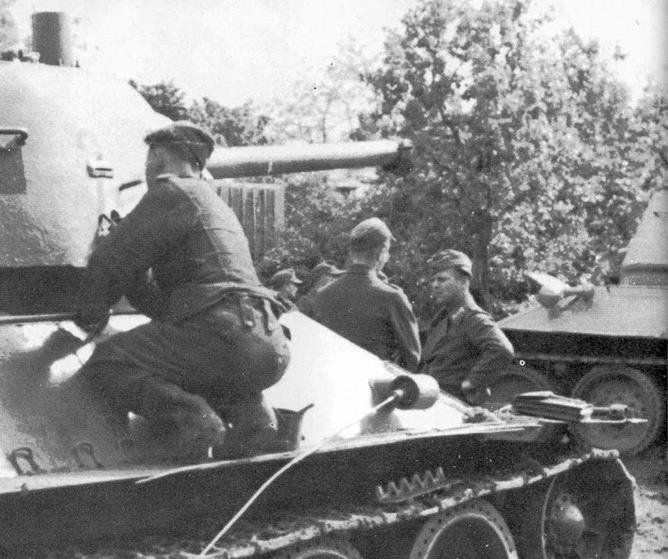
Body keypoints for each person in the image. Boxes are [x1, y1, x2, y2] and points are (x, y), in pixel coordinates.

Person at [75, 121, 291, 459]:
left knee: (108, 361)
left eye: (149, 160)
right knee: (192, 363)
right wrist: (134, 276)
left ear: (157, 158)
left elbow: (110, 259)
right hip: (266, 344)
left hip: (223, 335)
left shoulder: (172, 191)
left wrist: (90, 315)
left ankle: (196, 421)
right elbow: (171, 307)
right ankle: (254, 419)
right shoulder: (212, 204)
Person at [299, 218, 420, 371]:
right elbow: (412, 357)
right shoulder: (391, 297)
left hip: (330, 381)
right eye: (387, 252)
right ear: (380, 253)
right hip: (374, 383)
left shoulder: (323, 294)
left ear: (352, 253)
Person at [420, 249, 515, 403]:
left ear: (463, 282)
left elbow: (502, 350)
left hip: (456, 406)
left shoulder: (474, 318)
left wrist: (470, 384)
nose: (435, 285)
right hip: (436, 402)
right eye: (434, 280)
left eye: (442, 280)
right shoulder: (441, 319)